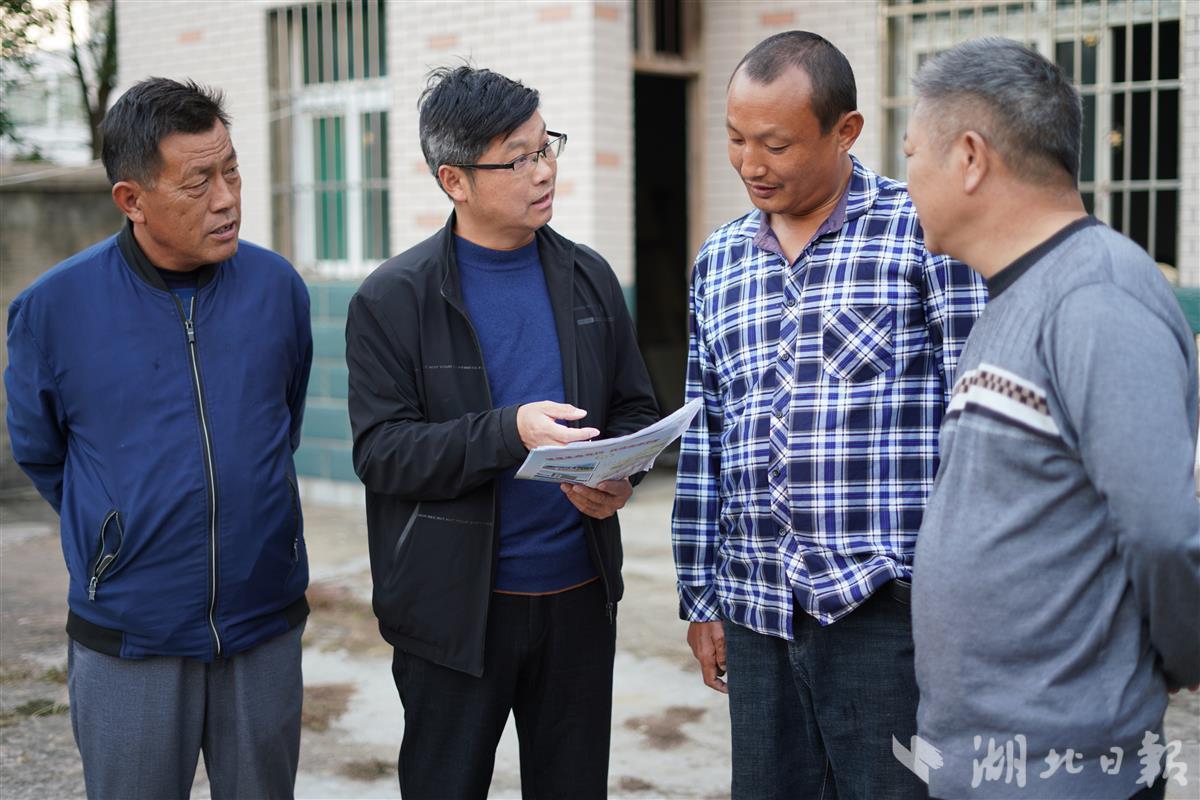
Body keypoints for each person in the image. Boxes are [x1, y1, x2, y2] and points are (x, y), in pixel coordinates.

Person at [671, 31, 987, 799]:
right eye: (736, 139)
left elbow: (978, 426)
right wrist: (701, 596)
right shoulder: (719, 261)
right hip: (756, 609)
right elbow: (706, 435)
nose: (750, 163)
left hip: (887, 611)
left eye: (775, 144)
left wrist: (969, 603)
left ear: (845, 131)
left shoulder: (924, 233)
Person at [345, 65, 659, 800]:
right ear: (454, 181)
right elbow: (382, 453)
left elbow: (635, 409)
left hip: (579, 596)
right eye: (518, 159)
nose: (544, 171)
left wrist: (622, 476)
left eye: (546, 147)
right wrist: (508, 432)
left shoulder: (589, 277)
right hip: (453, 614)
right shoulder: (393, 299)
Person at [903, 37, 1200, 800]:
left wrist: (1182, 657)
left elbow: (1164, 532)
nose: (906, 183)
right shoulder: (1011, 297)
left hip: (1067, 768)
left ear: (970, 157)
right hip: (986, 762)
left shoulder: (1098, 295)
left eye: (911, 155)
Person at [5, 78, 313, 799]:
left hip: (263, 622)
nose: (227, 198)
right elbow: (42, 453)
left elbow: (281, 425)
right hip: (130, 636)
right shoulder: (54, 309)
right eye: (198, 182)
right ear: (132, 199)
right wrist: (116, 532)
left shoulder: (277, 289)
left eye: (231, 170)